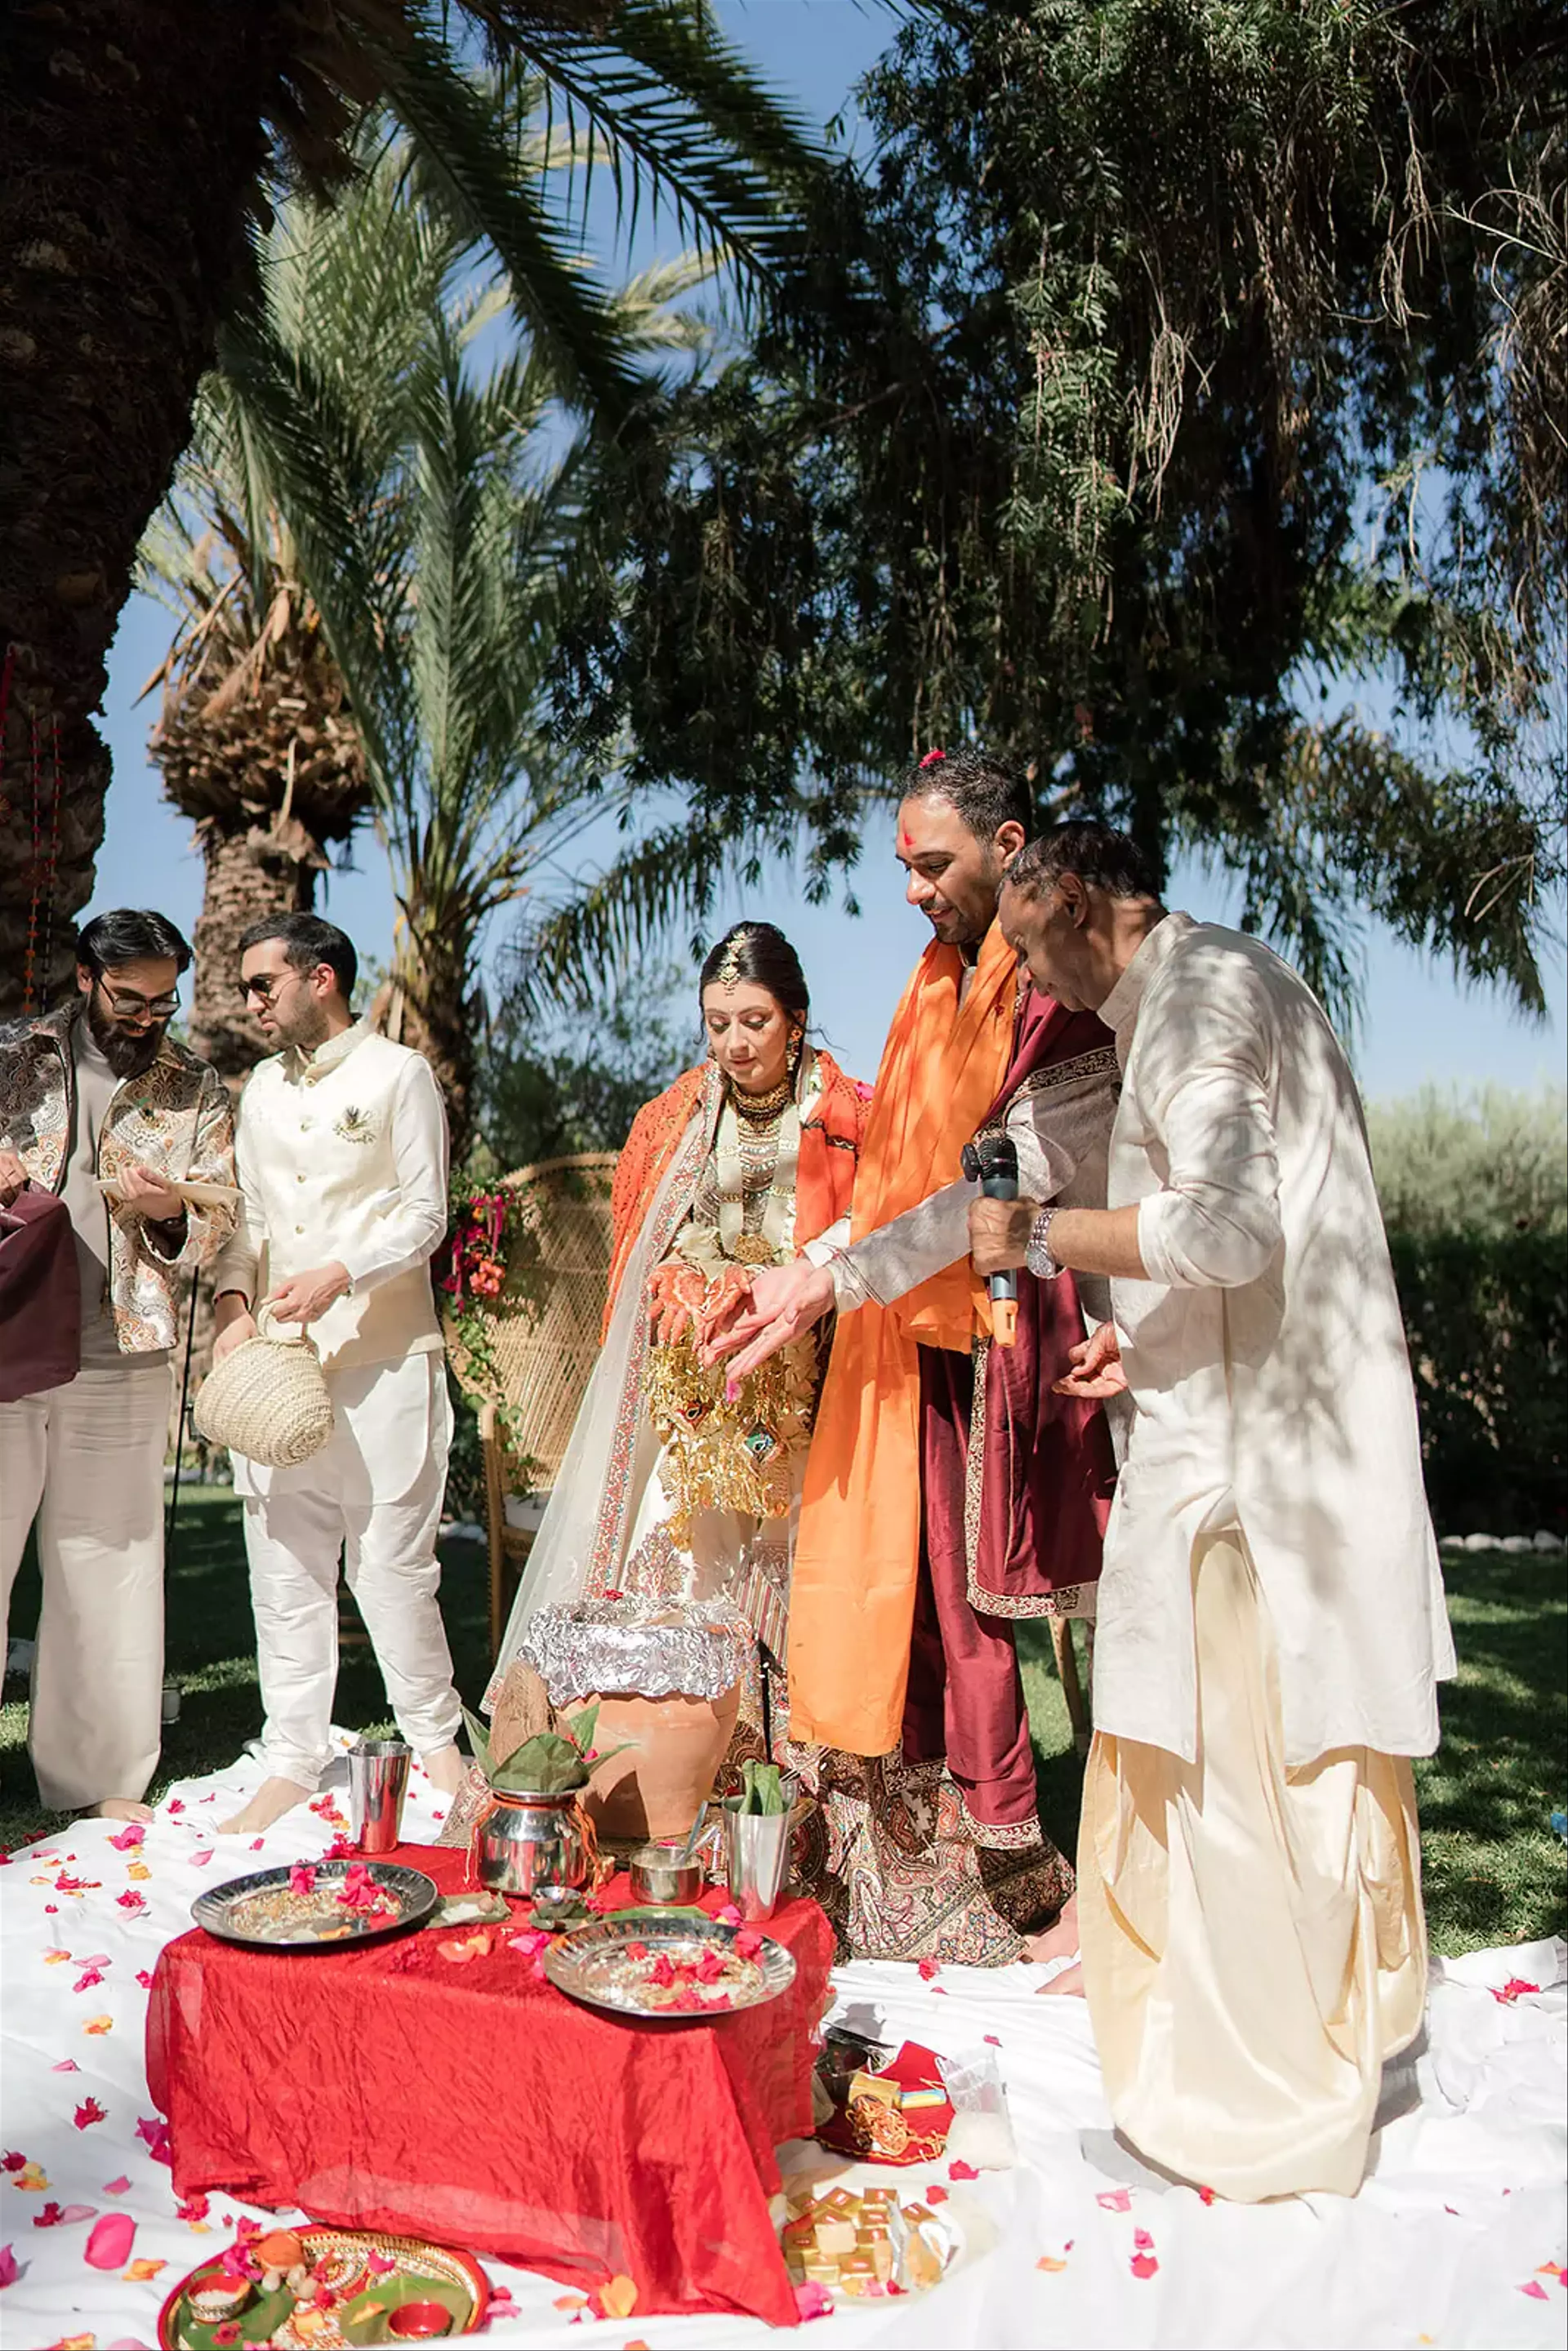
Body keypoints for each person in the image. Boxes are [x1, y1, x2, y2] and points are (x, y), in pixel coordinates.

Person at [967, 818, 1456, 2198]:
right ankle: (1263, 2027)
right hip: (1257, 1434)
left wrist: (1042, 1237)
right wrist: (1149, 1337)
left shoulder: (1192, 1005)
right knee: (1251, 1755)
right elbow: (1251, 1244)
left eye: (1021, 942)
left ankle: (1257, 2084)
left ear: (1069, 897)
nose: (1023, 981)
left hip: (1258, 1487)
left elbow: (1229, 1225)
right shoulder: (1204, 986)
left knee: (1246, 1765)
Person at [706, 751, 1120, 1963]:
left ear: (1008, 842)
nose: (912, 890)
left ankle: (1035, 1867)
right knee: (929, 1598)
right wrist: (824, 1271)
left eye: (931, 864)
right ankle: (931, 1861)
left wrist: (833, 1272)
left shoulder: (1049, 991)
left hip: (1018, 1325)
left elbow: (994, 1184)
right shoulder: (931, 984)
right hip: (913, 1332)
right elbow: (900, 1171)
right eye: (902, 866)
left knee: (996, 1599)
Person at [483, 923, 871, 1763]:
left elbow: (871, 1229)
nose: (734, 1042)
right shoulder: (677, 1119)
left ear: (796, 1019)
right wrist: (691, 1276)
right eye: (717, 1021)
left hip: (814, 1391)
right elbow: (661, 1235)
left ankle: (799, 1773)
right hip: (697, 1392)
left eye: (755, 1021)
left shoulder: (847, 1116)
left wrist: (787, 1279)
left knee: (801, 1573)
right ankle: (673, 1760)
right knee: (683, 1560)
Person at [209, 914, 466, 1834]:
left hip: (386, 1361)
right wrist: (235, 1306)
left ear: (322, 979)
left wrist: (342, 1271)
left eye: (261, 983)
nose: (251, 1002)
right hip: (281, 1367)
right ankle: (291, 1751)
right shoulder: (259, 1095)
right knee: (283, 1561)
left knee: (394, 1566)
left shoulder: (400, 1076)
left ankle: (436, 1742)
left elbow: (425, 1213)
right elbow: (246, 1220)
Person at [0, 909, 236, 1820]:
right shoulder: (16, 1052)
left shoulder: (197, 1087)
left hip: (124, 1354)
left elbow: (220, 1222)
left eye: (163, 1001)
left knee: (112, 1562)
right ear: (87, 976)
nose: (147, 1017)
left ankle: (97, 1781)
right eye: (129, 998)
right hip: (10, 1342)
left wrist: (169, 1212)